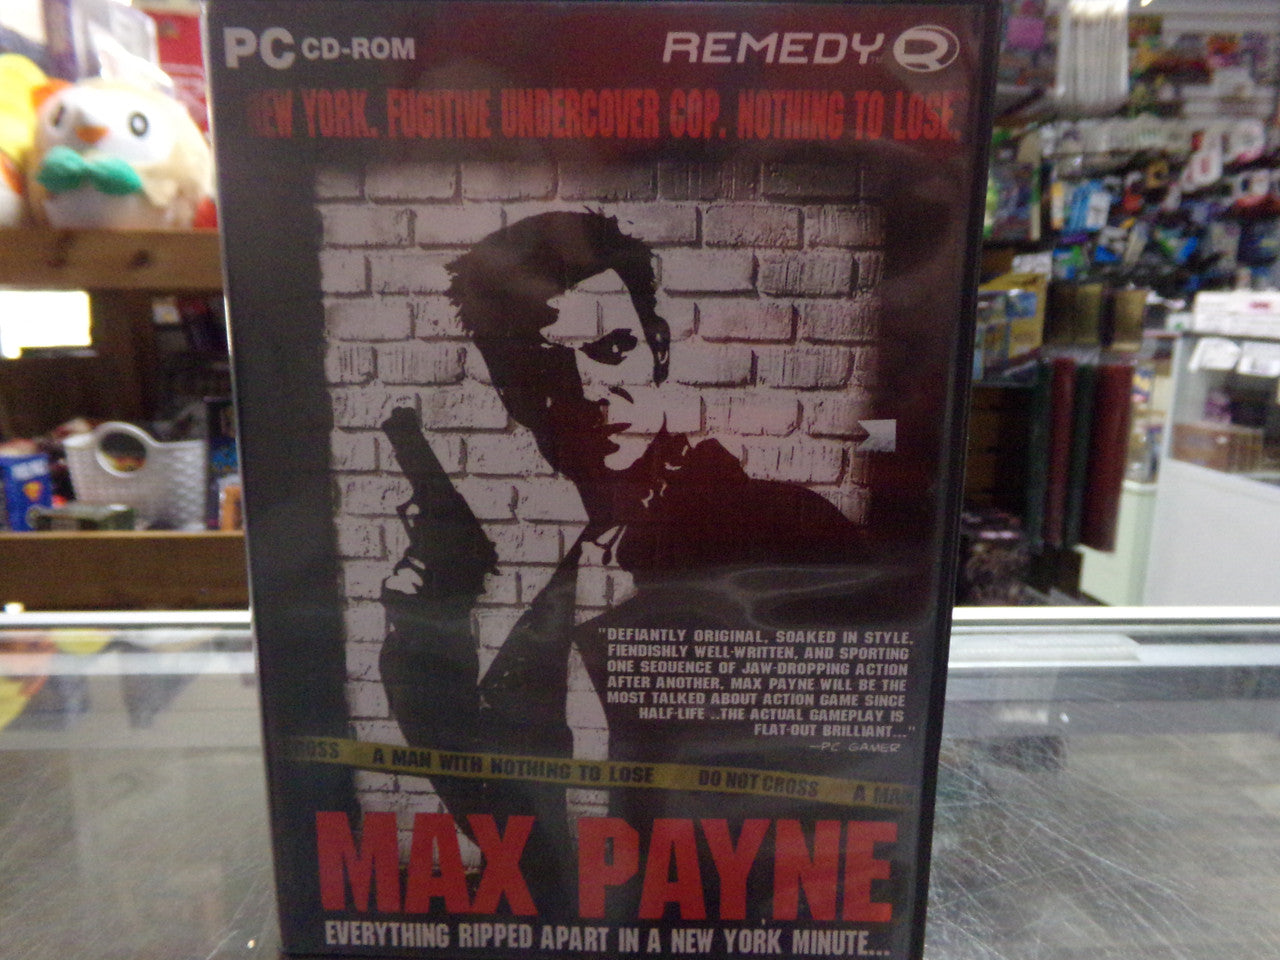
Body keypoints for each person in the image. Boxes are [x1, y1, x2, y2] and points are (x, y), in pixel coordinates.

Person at [379, 211, 896, 917]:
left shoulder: (793, 534)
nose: (589, 392)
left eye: (613, 349)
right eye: (545, 367)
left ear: (658, 349)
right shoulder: (565, 587)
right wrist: (417, 637)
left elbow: (855, 791)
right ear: (509, 391)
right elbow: (518, 838)